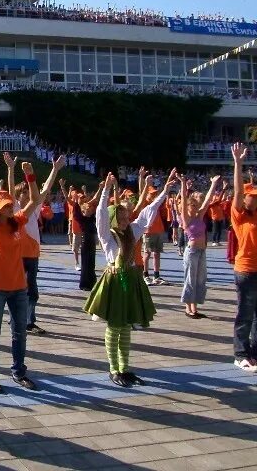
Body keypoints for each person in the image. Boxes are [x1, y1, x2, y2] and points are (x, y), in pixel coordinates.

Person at [84, 170, 177, 387]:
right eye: (123, 218)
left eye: (127, 217)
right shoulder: (108, 236)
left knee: (126, 327)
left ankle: (125, 368)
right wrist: (106, 189)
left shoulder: (132, 232)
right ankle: (113, 368)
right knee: (115, 326)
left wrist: (164, 191)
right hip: (115, 282)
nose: (127, 221)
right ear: (115, 218)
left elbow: (148, 212)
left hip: (131, 280)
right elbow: (100, 214)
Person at [0, 154, 40, 393]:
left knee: (19, 332)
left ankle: (19, 371)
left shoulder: (17, 222)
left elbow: (34, 199)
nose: (10, 209)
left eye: (11, 206)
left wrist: (30, 176)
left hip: (18, 287)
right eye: (5, 207)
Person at [6, 153, 65, 334]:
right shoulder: (15, 208)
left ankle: (30, 321)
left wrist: (55, 169)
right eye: (22, 192)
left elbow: (46, 188)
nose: (25, 194)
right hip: (17, 254)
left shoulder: (36, 207)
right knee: (17, 288)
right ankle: (15, 318)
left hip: (32, 254)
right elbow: (10, 189)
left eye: (26, 191)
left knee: (32, 289)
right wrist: (10, 169)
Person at [230, 143, 257, 372]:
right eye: (252, 197)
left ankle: (255, 353)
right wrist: (238, 163)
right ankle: (241, 354)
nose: (255, 199)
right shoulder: (240, 216)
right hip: (246, 270)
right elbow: (238, 191)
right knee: (245, 313)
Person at [178, 174, 220, 319]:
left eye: (196, 205)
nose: (196, 207)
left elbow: (208, 200)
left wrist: (213, 184)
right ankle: (188, 308)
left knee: (199, 279)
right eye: (193, 205)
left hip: (201, 251)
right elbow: (183, 200)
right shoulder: (186, 219)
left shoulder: (199, 215)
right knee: (190, 279)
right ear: (188, 207)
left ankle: (194, 308)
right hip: (192, 251)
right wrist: (183, 184)